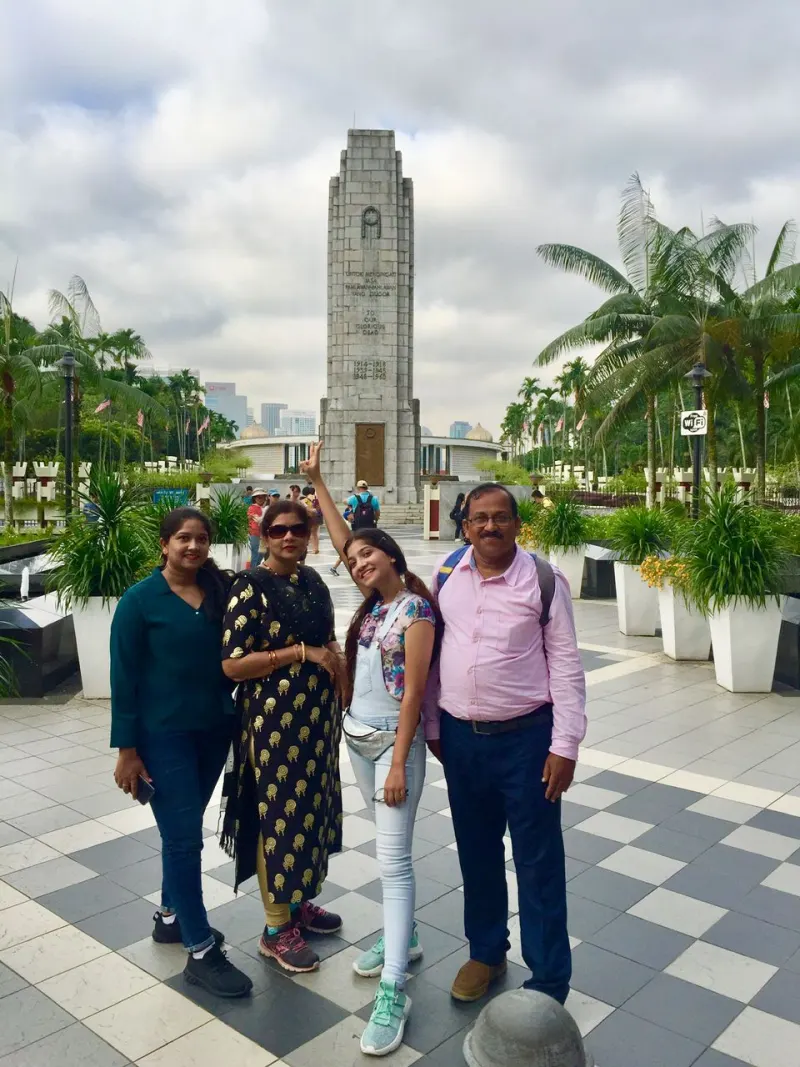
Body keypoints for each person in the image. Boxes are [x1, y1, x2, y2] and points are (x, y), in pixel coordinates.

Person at [424, 482, 585, 1007]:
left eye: (500, 517)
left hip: (527, 741)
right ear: (465, 525)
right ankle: (487, 952)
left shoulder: (543, 580)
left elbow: (566, 664)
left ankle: (548, 980)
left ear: (517, 523)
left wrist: (565, 745)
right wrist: (433, 726)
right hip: (461, 739)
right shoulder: (447, 573)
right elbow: (432, 654)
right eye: (479, 519)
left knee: (538, 861)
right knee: (477, 853)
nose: (489, 526)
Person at [302, 441, 439, 1057]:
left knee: (393, 862)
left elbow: (414, 695)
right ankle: (404, 937)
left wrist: (400, 763)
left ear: (392, 556)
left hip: (392, 748)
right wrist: (318, 483)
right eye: (352, 558)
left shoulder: (415, 611)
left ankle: (393, 989)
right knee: (389, 856)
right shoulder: (373, 608)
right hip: (356, 740)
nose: (356, 562)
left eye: (367, 554)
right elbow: (342, 541)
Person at [110, 507, 253, 999]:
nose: (193, 546)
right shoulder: (139, 601)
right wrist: (127, 750)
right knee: (184, 839)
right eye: (183, 538)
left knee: (184, 831)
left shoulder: (219, 593)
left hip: (213, 730)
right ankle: (200, 950)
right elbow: (123, 678)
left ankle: (171, 919)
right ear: (165, 544)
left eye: (201, 539)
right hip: (162, 736)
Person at [220, 499, 344, 974]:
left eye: (297, 529)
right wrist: (299, 653)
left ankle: (297, 903)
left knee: (311, 811)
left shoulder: (313, 581)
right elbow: (233, 665)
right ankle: (275, 927)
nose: (288, 537)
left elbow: (328, 640)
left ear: (309, 534)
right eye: (278, 530)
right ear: (264, 535)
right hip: (272, 725)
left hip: (317, 721)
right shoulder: (249, 586)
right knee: (278, 817)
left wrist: (340, 669)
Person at [329, 498, 354, 577]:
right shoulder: (347, 524)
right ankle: (334, 568)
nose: (353, 515)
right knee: (344, 556)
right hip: (346, 542)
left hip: (347, 542)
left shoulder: (349, 523)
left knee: (343, 556)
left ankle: (334, 568)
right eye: (351, 514)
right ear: (348, 516)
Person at [247, 489, 268, 569]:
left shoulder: (265, 508)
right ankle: (253, 571)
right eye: (258, 497)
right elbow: (257, 520)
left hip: (263, 534)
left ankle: (256, 568)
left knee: (262, 553)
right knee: (255, 553)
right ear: (255, 498)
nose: (260, 499)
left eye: (262, 497)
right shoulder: (252, 508)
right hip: (255, 533)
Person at [302, 486, 322, 554]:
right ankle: (316, 548)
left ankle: (313, 549)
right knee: (315, 534)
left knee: (311, 534)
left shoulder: (305, 499)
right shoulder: (316, 497)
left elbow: (306, 508)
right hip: (318, 516)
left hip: (311, 517)